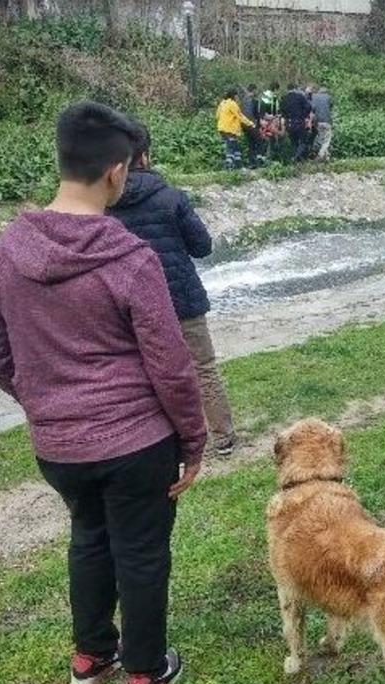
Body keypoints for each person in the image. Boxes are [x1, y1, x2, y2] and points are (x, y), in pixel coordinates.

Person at [0, 101, 206, 684]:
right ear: (117, 172)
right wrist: (194, 440)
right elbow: (170, 362)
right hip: (136, 444)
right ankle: (145, 673)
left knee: (90, 538)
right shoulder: (128, 258)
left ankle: (91, 654)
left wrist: (42, 399)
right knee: (142, 551)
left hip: (60, 446)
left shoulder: (3, 252)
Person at [108, 124, 237, 457]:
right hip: (183, 298)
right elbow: (202, 247)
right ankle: (222, 438)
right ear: (146, 156)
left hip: (133, 306)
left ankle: (162, 442)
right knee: (203, 368)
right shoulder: (172, 197)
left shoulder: (104, 207)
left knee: (149, 373)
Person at [216, 88, 254, 169]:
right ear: (234, 95)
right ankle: (229, 166)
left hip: (222, 128)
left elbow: (217, 115)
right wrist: (250, 123)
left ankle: (238, 165)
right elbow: (240, 116)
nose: (238, 98)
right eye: (237, 96)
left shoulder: (222, 103)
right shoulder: (232, 104)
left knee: (235, 146)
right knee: (231, 146)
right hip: (229, 129)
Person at [280, 83, 313, 163]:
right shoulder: (300, 97)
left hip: (288, 123)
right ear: (295, 89)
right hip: (298, 122)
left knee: (294, 142)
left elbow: (282, 112)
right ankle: (295, 157)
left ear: (287, 89)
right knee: (303, 141)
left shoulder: (283, 99)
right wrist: (304, 115)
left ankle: (297, 160)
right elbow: (308, 107)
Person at [241, 84, 266, 166]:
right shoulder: (254, 101)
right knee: (259, 141)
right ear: (254, 90)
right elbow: (256, 115)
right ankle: (259, 161)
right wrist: (259, 125)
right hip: (252, 125)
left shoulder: (243, 101)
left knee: (251, 143)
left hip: (244, 126)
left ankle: (251, 162)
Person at [311, 84, 334, 162]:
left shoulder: (314, 97)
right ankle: (320, 155)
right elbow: (331, 107)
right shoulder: (328, 97)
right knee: (327, 140)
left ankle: (327, 157)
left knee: (321, 138)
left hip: (317, 121)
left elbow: (313, 108)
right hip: (327, 121)